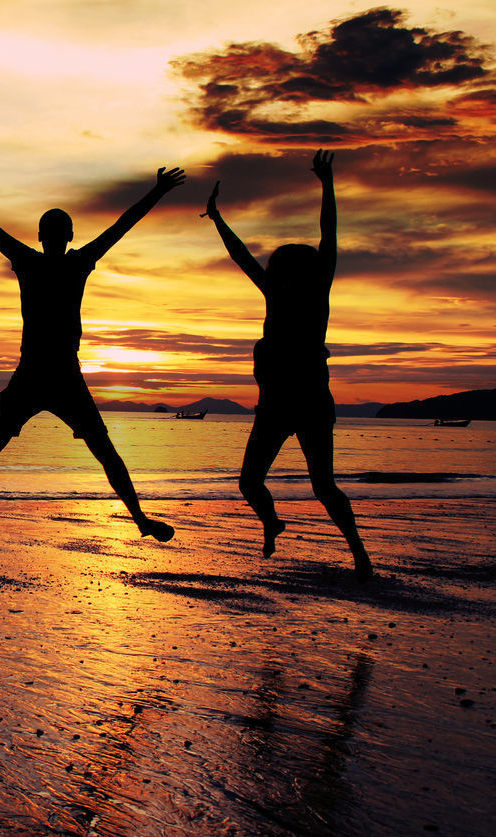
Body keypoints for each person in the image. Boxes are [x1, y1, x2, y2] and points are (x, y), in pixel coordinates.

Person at [0, 156, 184, 542]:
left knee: (5, 444)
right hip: (49, 371)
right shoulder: (71, 261)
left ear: (43, 236)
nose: (55, 236)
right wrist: (156, 191)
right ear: (65, 236)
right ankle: (139, 518)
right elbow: (118, 227)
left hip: (50, 372)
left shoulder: (33, 260)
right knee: (96, 449)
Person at [204, 150, 371, 579]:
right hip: (283, 405)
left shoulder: (309, 294)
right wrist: (218, 219)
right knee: (260, 483)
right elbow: (243, 256)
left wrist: (327, 184)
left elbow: (327, 234)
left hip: (305, 402)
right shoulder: (283, 294)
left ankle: (358, 553)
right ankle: (276, 523)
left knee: (317, 485)